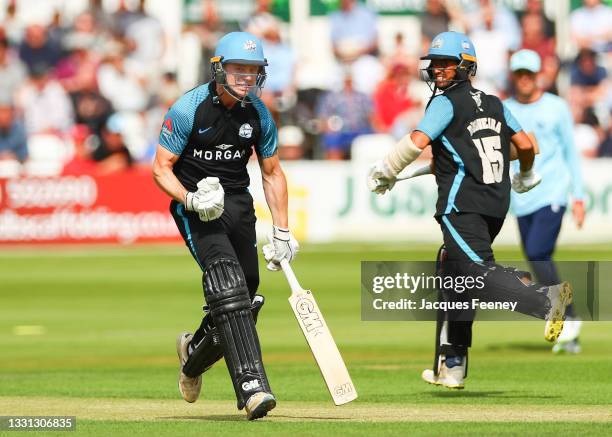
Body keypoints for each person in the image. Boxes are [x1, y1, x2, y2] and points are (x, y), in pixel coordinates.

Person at [367, 32, 573, 389]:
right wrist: (525, 174)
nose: (438, 70)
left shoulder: (444, 104)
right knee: (455, 278)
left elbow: (417, 142)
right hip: (495, 204)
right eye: (435, 64)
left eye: (446, 63)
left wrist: (385, 170)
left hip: (462, 206)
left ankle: (544, 300)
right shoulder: (495, 102)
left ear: (466, 67)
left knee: (473, 275)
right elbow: (526, 144)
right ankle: (454, 363)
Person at [152, 32, 298, 420]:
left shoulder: (259, 114)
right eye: (238, 68)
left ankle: (193, 355)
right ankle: (253, 387)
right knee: (226, 283)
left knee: (245, 295)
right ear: (219, 68)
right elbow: (161, 168)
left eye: (253, 70)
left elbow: (272, 172)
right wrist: (190, 199)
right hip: (196, 205)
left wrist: (282, 231)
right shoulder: (189, 108)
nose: (246, 77)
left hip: (236, 204)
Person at [504, 50, 585, 354]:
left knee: (539, 251)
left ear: (538, 75)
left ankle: (562, 312)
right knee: (537, 259)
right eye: (519, 73)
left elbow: (570, 154)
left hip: (552, 192)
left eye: (529, 73)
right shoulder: (505, 109)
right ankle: (571, 326)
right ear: (514, 76)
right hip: (521, 198)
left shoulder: (556, 107)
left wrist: (578, 196)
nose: (524, 79)